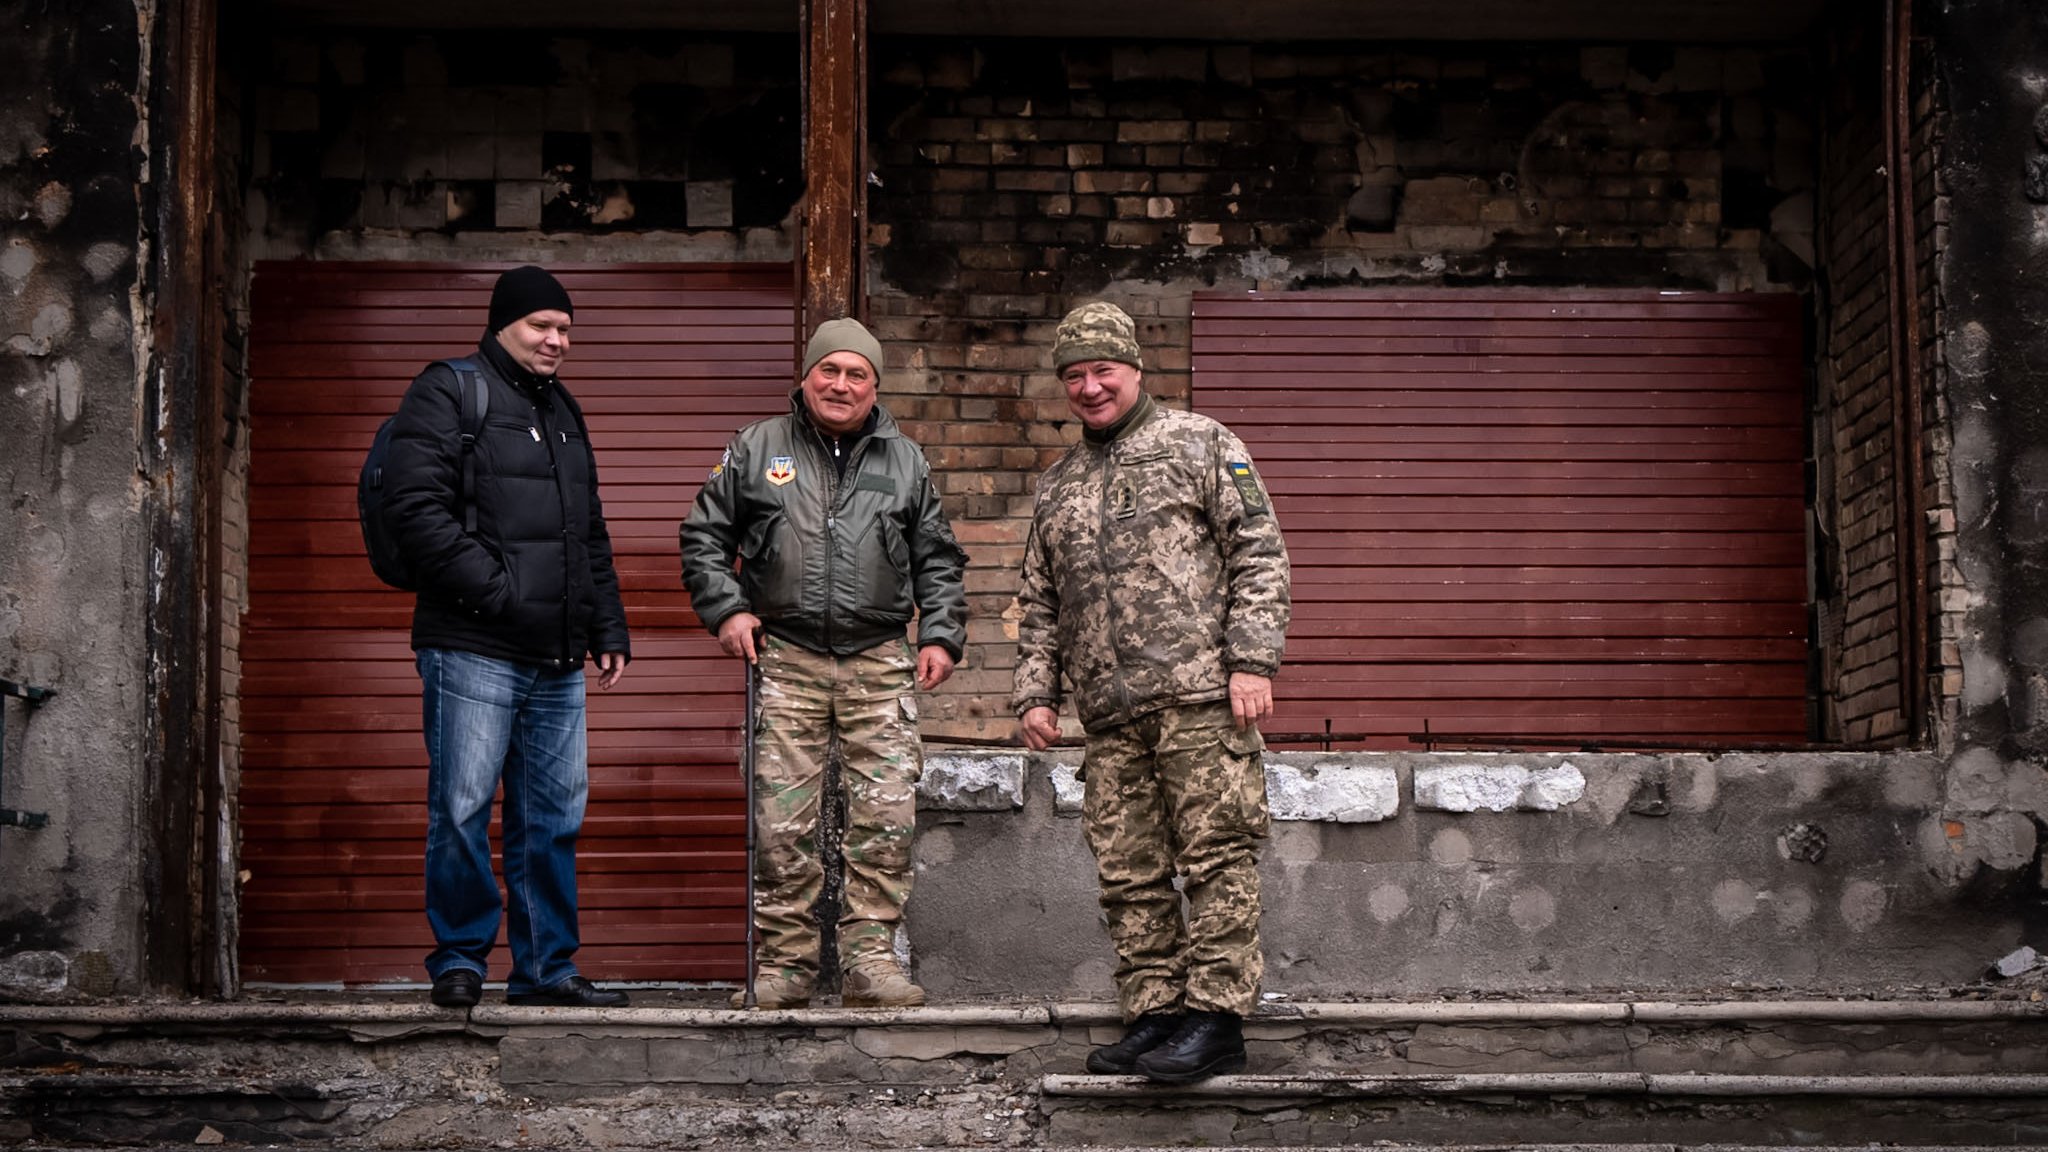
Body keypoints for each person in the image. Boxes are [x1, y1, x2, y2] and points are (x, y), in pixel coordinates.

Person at [1013, 301, 1291, 1083]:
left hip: (1202, 698)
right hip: (1111, 716)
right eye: (1074, 375)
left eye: (1102, 370)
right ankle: (1157, 1013)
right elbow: (1040, 600)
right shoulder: (1059, 485)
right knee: (1129, 873)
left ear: (1134, 368)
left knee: (1216, 858)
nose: (1090, 387)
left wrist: (1252, 660)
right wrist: (1037, 691)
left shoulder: (1201, 443)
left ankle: (1217, 1020)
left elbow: (1259, 552)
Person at [680, 317, 968, 1010]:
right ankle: (785, 967)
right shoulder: (755, 448)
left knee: (885, 818)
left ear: (874, 385)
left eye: (856, 374)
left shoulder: (905, 460)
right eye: (828, 370)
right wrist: (727, 609)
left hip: (878, 662)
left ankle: (871, 964)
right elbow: (703, 536)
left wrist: (941, 635)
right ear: (806, 376)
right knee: (783, 824)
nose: (840, 384)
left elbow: (938, 558)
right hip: (788, 658)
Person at [383, 265, 632, 1009]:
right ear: (503, 325)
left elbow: (586, 527)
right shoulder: (449, 390)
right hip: (471, 645)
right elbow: (414, 509)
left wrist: (606, 622)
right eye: (541, 327)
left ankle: (546, 970)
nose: (557, 340)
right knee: (461, 807)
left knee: (552, 819)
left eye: (565, 330)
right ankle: (459, 958)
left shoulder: (563, 409)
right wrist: (501, 596)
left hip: (555, 655)